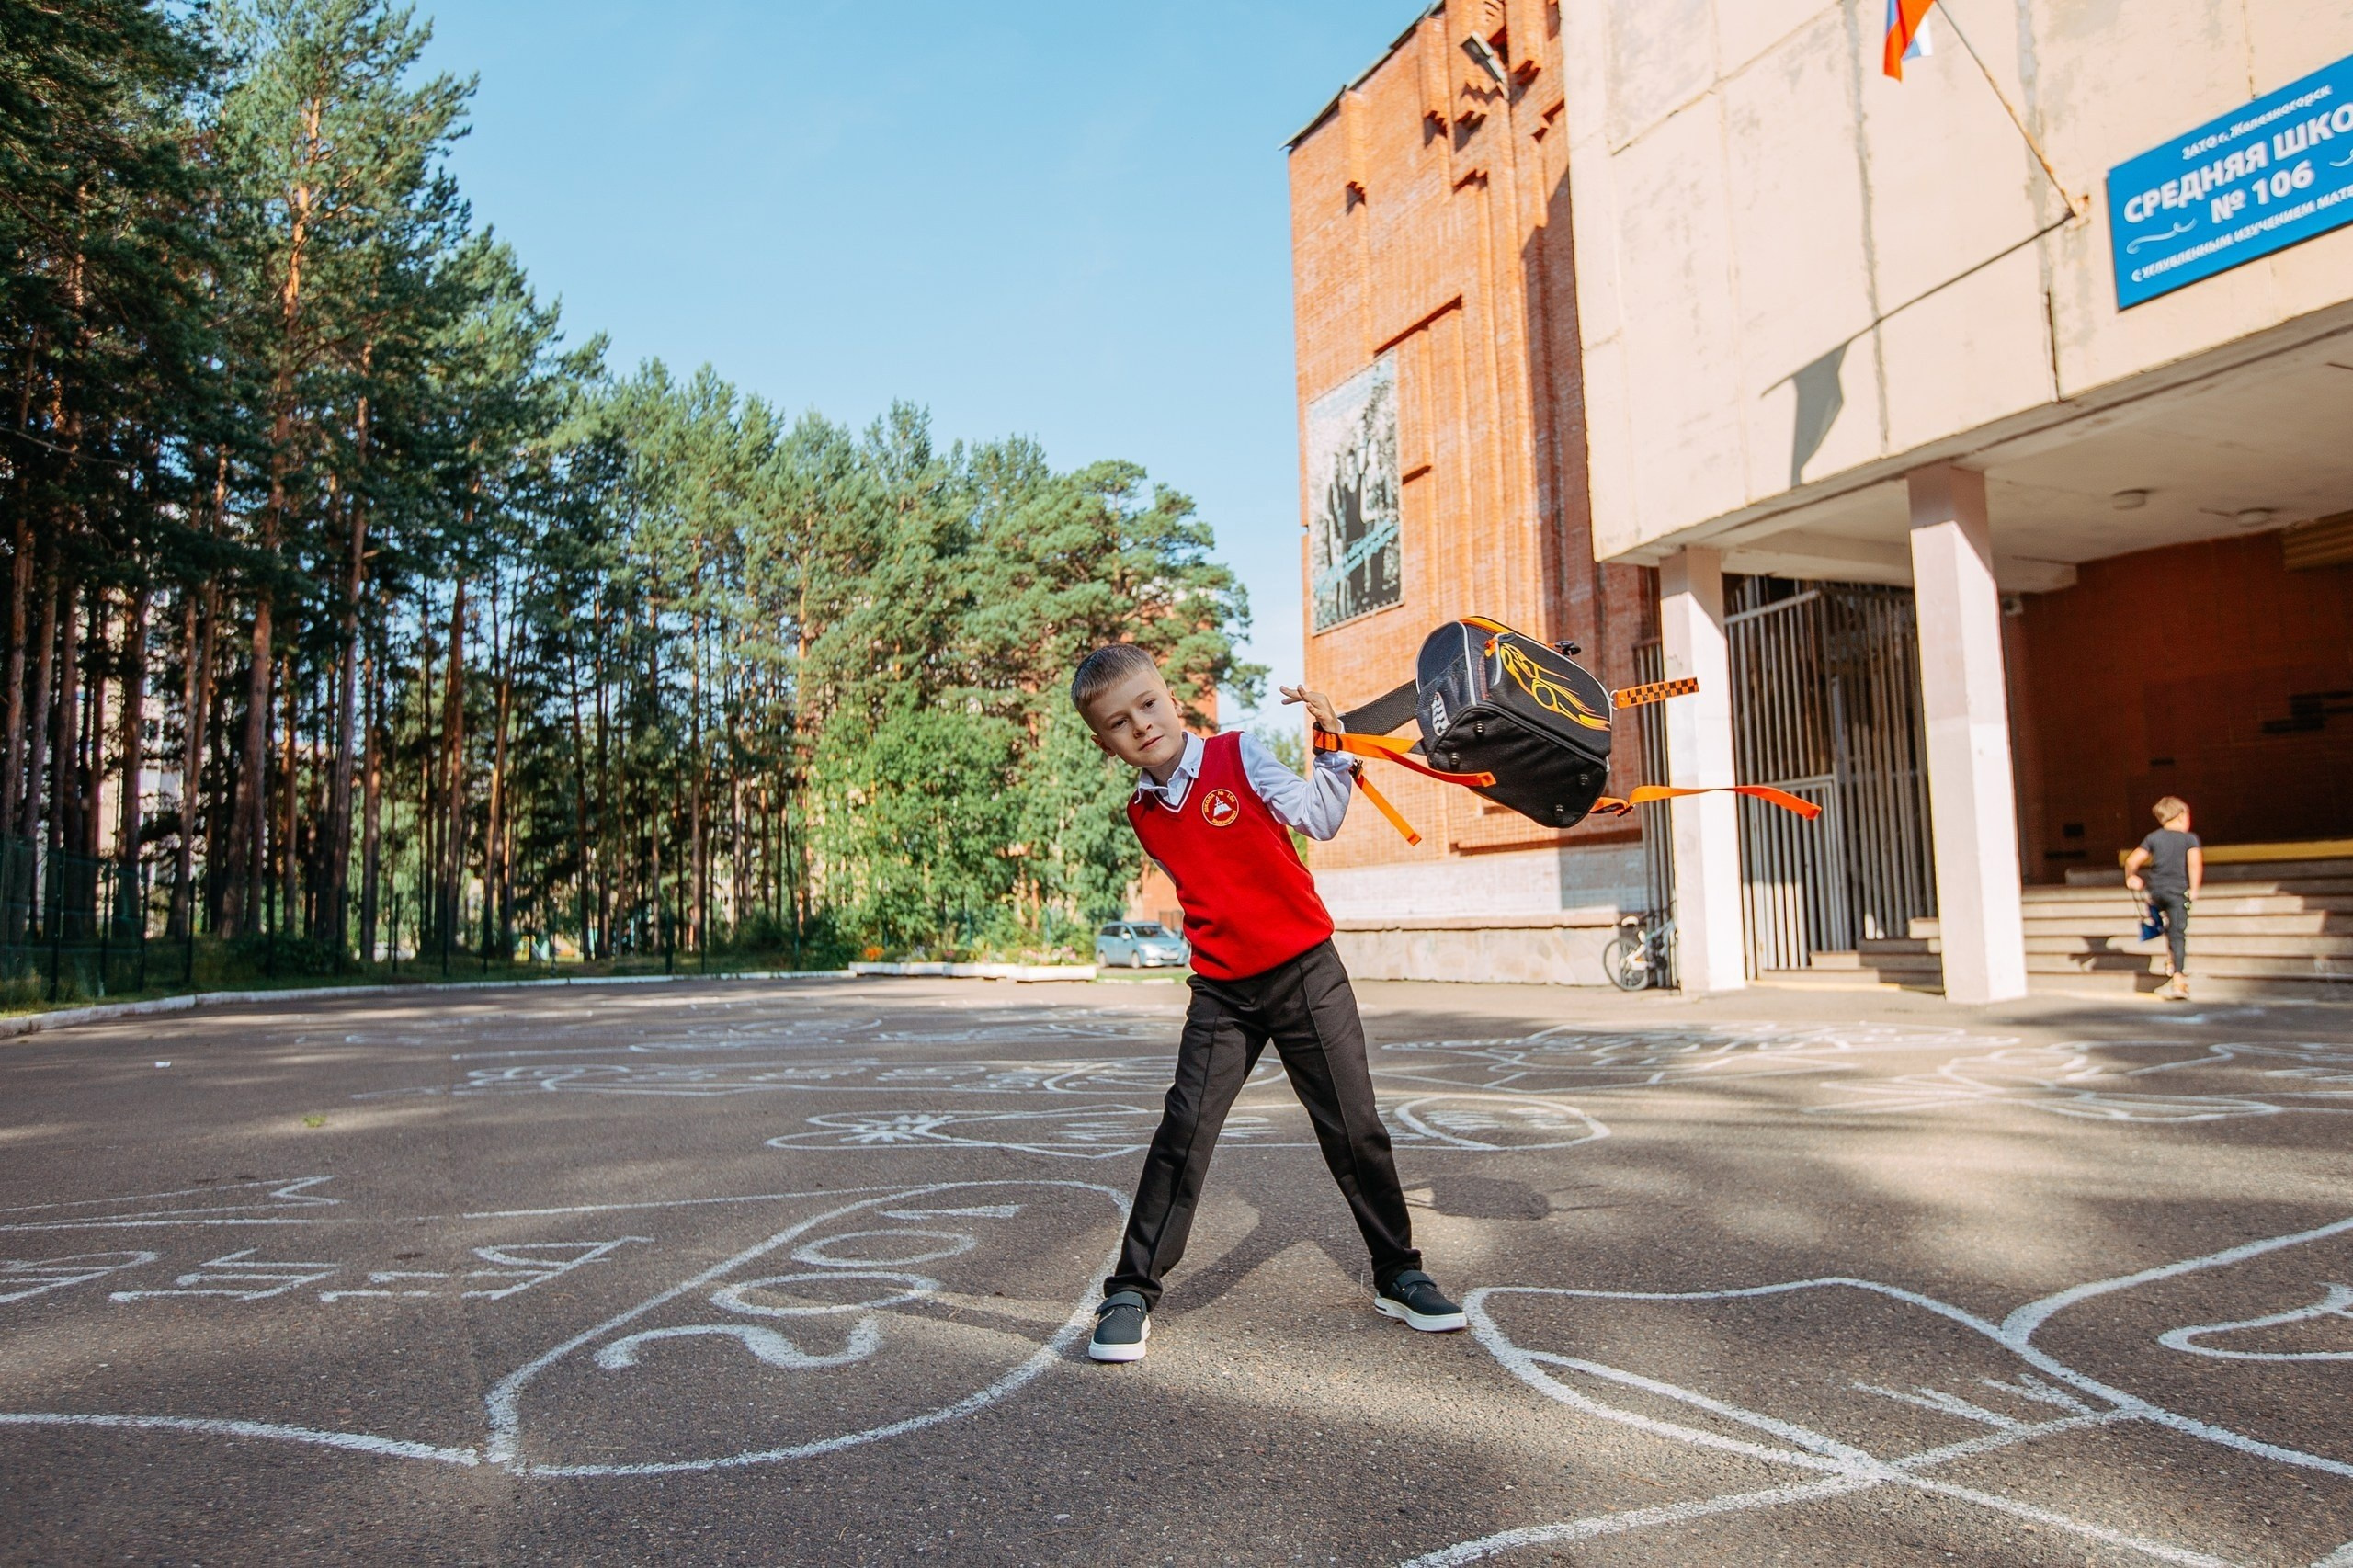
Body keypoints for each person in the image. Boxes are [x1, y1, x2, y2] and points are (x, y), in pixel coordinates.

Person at [1067, 642, 1465, 1363]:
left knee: (1355, 1127)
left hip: (1305, 972)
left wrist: (1334, 752)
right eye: (1120, 722)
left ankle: (1399, 1272)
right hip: (1223, 990)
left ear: (1172, 698)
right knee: (1183, 1129)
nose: (1142, 725)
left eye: (1148, 704)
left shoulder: (1240, 755)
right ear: (1105, 743)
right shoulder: (1144, 813)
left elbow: (1320, 819)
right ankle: (1130, 1290)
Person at [2124, 795, 2202, 1002]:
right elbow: (2194, 864)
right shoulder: (2189, 839)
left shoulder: (2153, 837)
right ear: (2181, 816)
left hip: (2156, 891)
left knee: (2167, 926)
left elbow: (2132, 860)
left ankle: (2170, 960)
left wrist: (2132, 877)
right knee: (2177, 932)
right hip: (2177, 892)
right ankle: (2178, 980)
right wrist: (2194, 889)